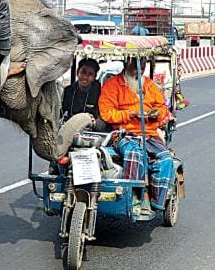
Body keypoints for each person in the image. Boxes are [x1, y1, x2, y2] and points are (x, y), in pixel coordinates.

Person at [99, 58, 174, 215]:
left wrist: (156, 114)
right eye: (135, 67)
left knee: (166, 159)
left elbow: (162, 107)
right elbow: (106, 113)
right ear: (127, 65)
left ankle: (156, 201)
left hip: (150, 135)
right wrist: (130, 114)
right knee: (135, 155)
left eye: (142, 67)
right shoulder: (112, 85)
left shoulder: (149, 85)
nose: (138, 71)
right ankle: (131, 196)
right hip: (124, 134)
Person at [62, 58, 108, 131]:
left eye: (90, 74)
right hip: (72, 124)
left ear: (94, 77)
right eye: (83, 72)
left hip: (92, 125)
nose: (85, 77)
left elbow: (103, 115)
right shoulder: (68, 91)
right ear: (77, 73)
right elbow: (62, 112)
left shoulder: (101, 92)